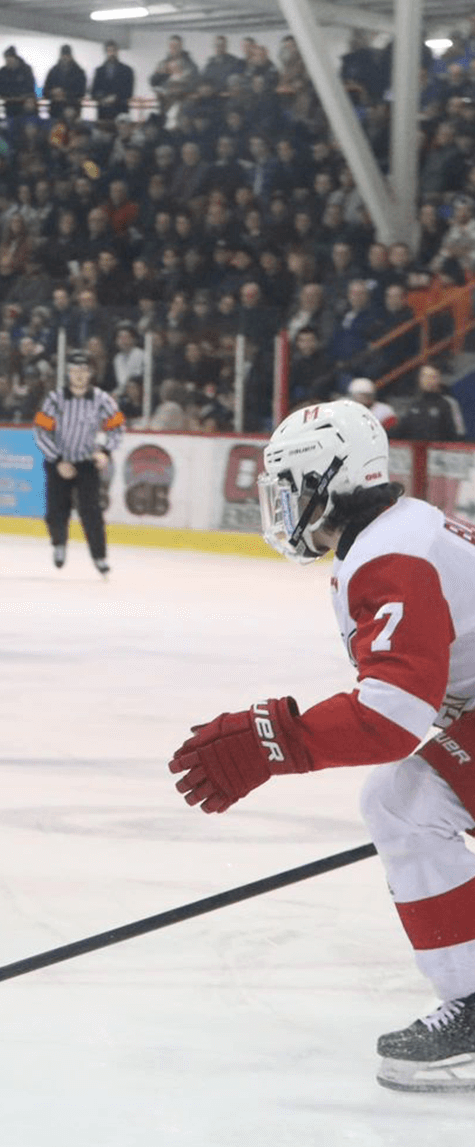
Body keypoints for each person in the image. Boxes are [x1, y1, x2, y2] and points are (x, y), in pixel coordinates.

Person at [170, 399, 475, 1092]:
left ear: (327, 481)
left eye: (288, 489)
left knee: (404, 803)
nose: (281, 508)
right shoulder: (402, 530)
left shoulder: (391, 554)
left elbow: (393, 715)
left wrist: (275, 742)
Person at [34, 350, 124, 576]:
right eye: (75, 371)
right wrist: (56, 460)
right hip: (58, 461)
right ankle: (59, 544)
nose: (79, 375)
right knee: (56, 510)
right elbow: (40, 431)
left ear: (90, 373)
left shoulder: (102, 399)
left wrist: (105, 451)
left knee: (91, 512)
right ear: (68, 373)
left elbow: (118, 427)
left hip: (86, 462)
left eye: (84, 371)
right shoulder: (55, 398)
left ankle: (99, 557)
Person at [395, 364, 466, 443]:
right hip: (418, 454)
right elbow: (401, 431)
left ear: (439, 379)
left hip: (442, 453)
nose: (427, 380)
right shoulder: (414, 405)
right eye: (424, 376)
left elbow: (459, 434)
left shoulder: (448, 404)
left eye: (432, 376)